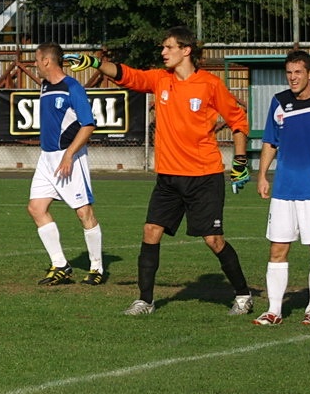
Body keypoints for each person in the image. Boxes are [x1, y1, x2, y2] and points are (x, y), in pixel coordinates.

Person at [67, 25, 253, 316]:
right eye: (163, 48)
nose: (163, 52)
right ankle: (145, 300)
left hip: (204, 177)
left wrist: (240, 162)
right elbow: (128, 75)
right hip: (168, 177)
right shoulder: (160, 80)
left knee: (213, 240)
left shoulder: (209, 84)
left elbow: (238, 121)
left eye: (169, 47)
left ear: (186, 50)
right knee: (150, 231)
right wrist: (95, 63)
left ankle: (243, 295)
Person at [253, 50, 310, 326]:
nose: (292, 78)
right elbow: (270, 141)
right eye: (289, 73)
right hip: (283, 190)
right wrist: (262, 175)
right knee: (277, 249)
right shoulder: (279, 102)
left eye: (298, 73)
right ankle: (274, 310)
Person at [28, 42, 105, 286]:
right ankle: (61, 265)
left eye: (37, 60)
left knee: (84, 212)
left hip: (69, 157)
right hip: (46, 158)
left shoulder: (73, 88)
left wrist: (69, 154)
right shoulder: (44, 86)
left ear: (47, 61)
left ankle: (97, 268)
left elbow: (88, 125)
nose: (35, 64)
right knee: (36, 208)